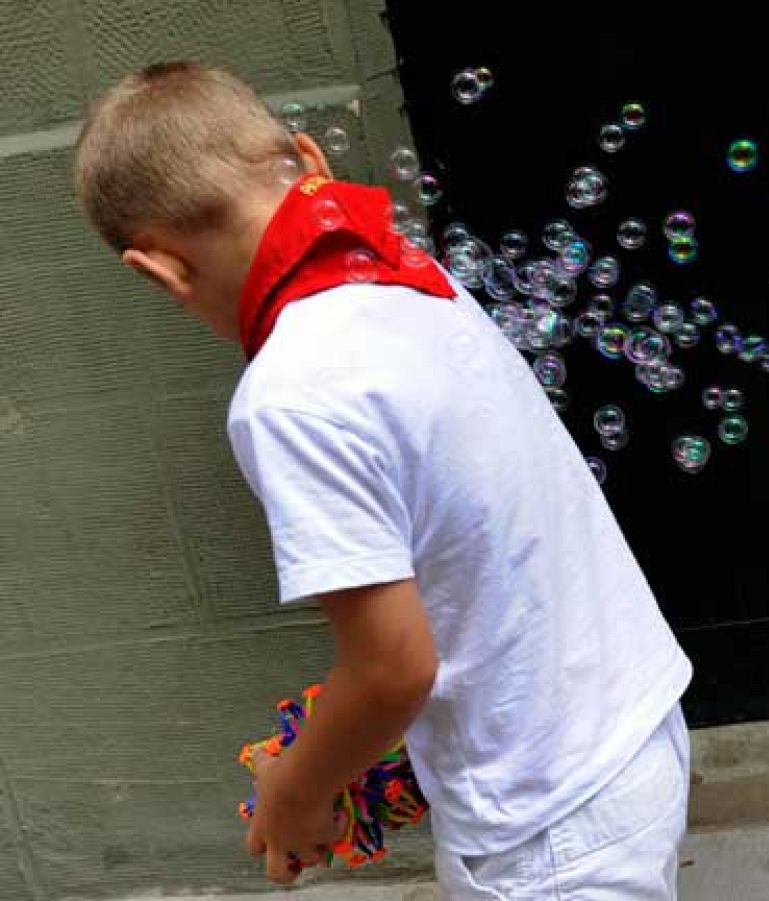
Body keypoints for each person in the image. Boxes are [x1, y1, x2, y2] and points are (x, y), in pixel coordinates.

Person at [73, 60, 694, 899]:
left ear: (160, 271)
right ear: (306, 159)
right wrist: (356, 739)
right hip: (632, 725)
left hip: (540, 821)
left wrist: (297, 788)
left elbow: (395, 667)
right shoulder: (408, 272)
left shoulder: (289, 394)